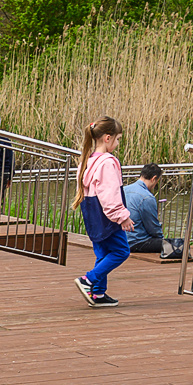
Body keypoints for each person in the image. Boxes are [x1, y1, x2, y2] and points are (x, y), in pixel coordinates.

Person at [72, 116, 131, 308]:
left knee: (103, 252)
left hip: (91, 213)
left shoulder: (87, 160)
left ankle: (97, 293)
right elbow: (110, 193)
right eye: (118, 139)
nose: (118, 143)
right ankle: (88, 280)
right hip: (107, 216)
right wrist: (122, 216)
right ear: (107, 138)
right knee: (121, 251)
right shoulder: (108, 162)